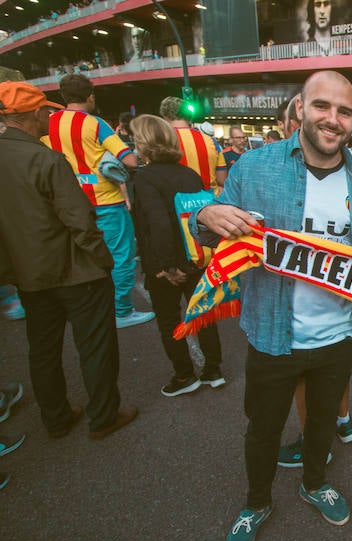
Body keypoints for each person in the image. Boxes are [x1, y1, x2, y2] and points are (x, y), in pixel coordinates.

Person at [194, 71, 352, 541]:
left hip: (337, 335)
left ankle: (314, 483)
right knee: (262, 429)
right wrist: (206, 218)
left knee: (321, 424)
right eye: (322, 106)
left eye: (344, 112)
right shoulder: (255, 167)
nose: (333, 119)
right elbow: (214, 223)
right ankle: (256, 503)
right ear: (301, 108)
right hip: (272, 333)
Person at [0, 81, 138, 440]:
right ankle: (104, 415)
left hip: (28, 274)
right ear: (34, 114)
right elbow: (78, 219)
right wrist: (103, 259)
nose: (50, 115)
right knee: (95, 345)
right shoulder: (44, 158)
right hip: (76, 270)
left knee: (42, 350)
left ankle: (57, 418)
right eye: (46, 111)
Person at [44, 74, 154, 329]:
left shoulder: (49, 123)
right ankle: (122, 311)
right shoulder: (95, 124)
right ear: (90, 95)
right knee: (121, 257)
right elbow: (129, 160)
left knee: (80, 258)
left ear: (63, 96)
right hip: (106, 203)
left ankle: (87, 309)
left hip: (67, 203)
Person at [130, 114, 225, 397]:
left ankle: (184, 375)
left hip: (165, 264)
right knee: (203, 315)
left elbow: (157, 223)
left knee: (170, 320)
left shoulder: (144, 178)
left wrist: (168, 265)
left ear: (144, 143)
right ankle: (213, 369)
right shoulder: (189, 174)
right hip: (196, 257)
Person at [159, 96, 227, 196]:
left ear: (165, 116)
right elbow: (222, 180)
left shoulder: (161, 141)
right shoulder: (211, 141)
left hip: (177, 203)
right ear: (189, 116)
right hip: (210, 201)